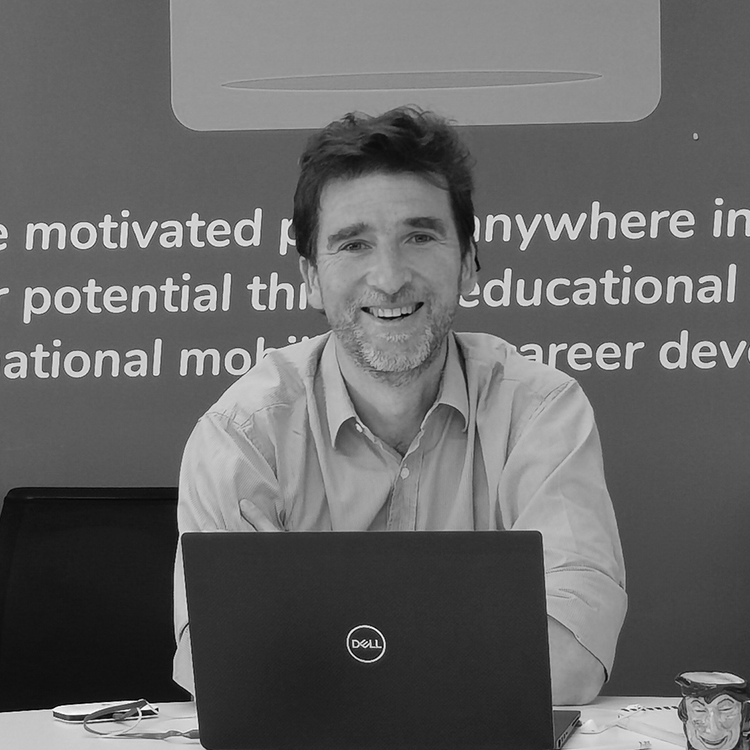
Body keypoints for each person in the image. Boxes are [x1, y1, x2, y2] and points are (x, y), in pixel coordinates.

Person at [173, 106, 627, 704]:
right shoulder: (243, 434)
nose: (388, 278)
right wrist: (480, 638)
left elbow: (571, 658)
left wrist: (313, 615)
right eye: (354, 244)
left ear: (467, 262)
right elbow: (225, 669)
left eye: (419, 235)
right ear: (310, 277)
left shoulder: (540, 413)